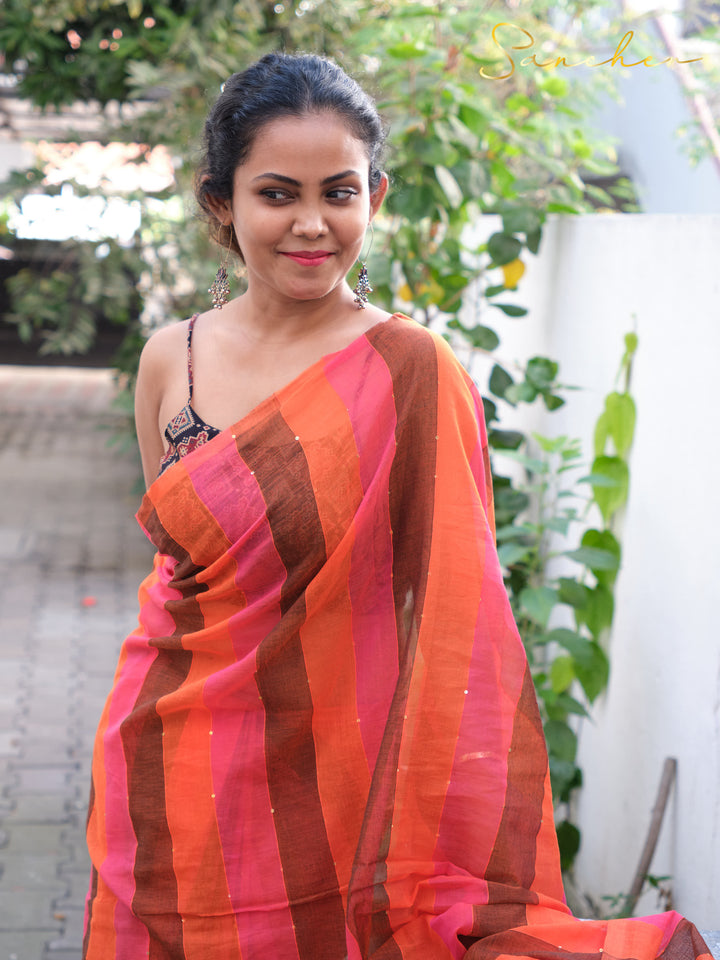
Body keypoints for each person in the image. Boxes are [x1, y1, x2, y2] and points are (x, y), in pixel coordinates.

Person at [82, 52, 711, 960]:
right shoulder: (167, 360)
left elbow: (457, 606)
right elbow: (181, 564)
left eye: (339, 192)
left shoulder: (412, 371)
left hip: (332, 767)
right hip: (166, 741)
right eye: (276, 193)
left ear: (375, 195)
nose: (311, 224)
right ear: (219, 202)